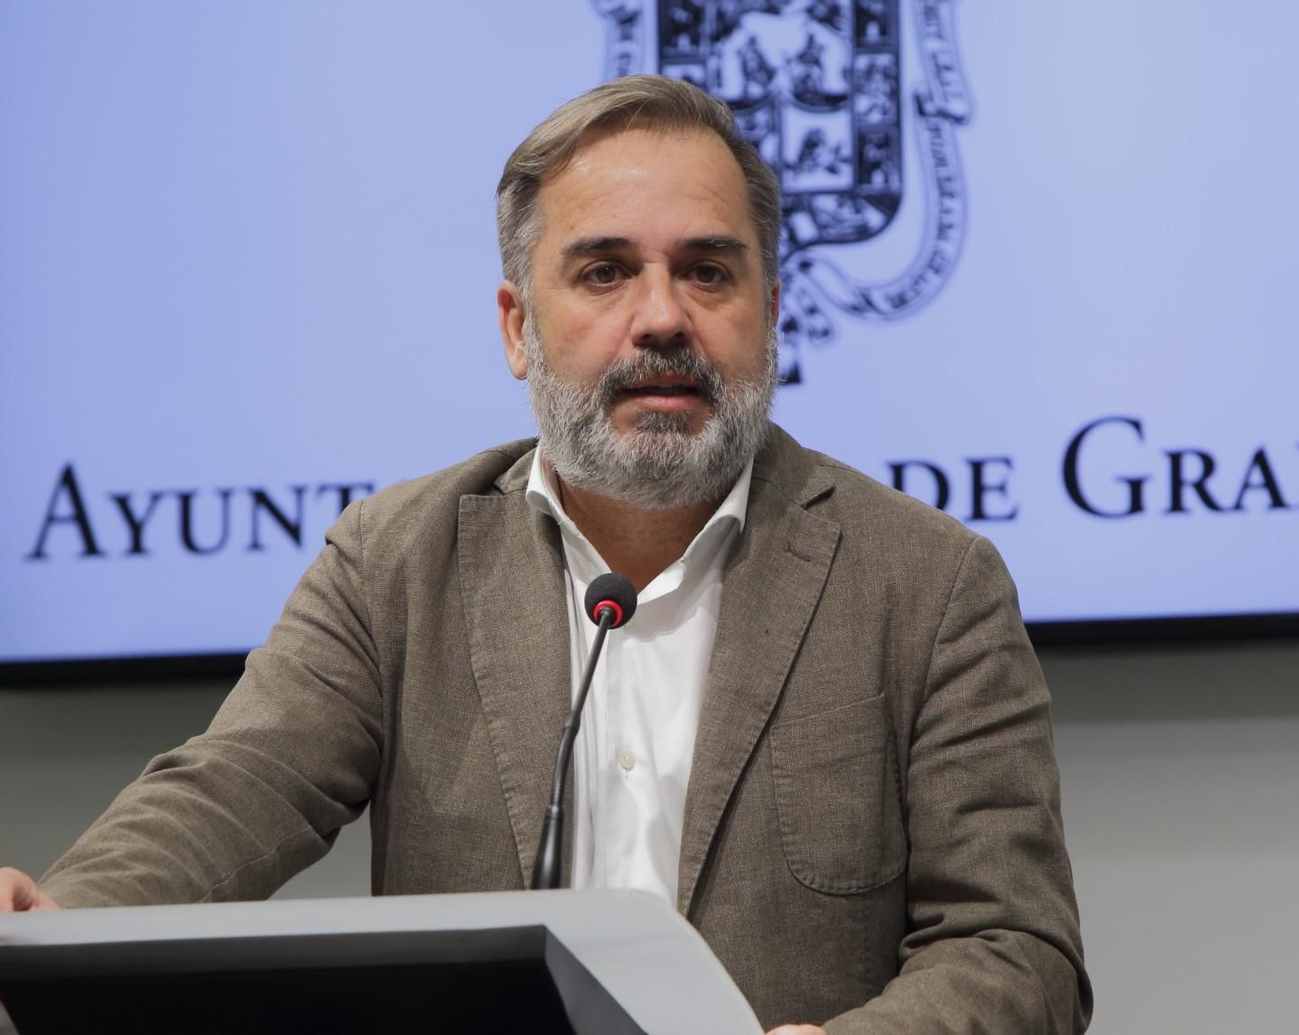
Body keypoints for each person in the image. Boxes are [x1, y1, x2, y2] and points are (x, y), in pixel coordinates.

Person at [0, 75, 1091, 1033]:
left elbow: (1017, 954)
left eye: (707, 272)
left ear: (770, 312)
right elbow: (234, 792)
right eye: (605, 271)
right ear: (519, 326)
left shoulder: (928, 585)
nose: (661, 317)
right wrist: (54, 922)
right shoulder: (396, 561)